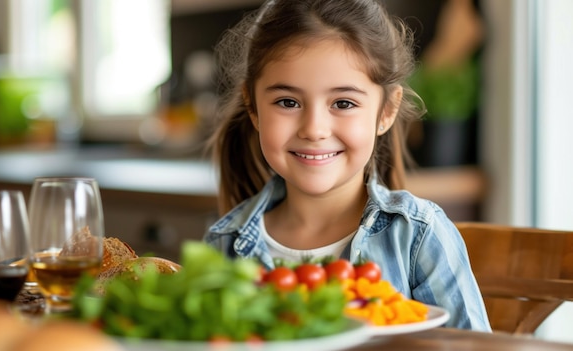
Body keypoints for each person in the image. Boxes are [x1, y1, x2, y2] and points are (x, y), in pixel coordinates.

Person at [202, 0, 491, 331]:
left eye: (343, 103)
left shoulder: (418, 236)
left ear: (385, 111)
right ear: (253, 108)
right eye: (287, 102)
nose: (314, 129)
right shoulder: (224, 243)